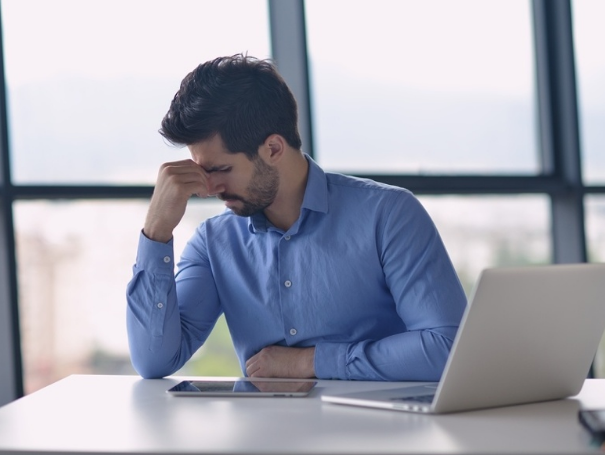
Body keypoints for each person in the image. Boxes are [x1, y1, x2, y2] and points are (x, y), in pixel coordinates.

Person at [126, 53, 467, 381]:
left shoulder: (389, 215)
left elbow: (447, 349)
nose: (208, 188)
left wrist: (311, 361)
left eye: (221, 169)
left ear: (273, 148)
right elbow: (154, 361)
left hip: (378, 436)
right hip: (266, 438)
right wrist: (156, 231)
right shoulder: (213, 243)